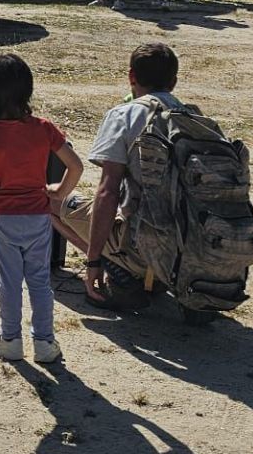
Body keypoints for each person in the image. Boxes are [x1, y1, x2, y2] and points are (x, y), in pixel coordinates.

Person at [0, 52, 84, 364]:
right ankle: (45, 342)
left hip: (2, 215)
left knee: (9, 279)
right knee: (39, 279)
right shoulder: (44, 128)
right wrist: (58, 193)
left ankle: (10, 338)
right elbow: (75, 166)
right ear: (28, 90)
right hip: (38, 215)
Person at [55, 42, 186, 311]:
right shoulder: (193, 117)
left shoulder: (125, 115)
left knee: (45, 201)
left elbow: (108, 192)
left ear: (131, 77)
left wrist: (91, 261)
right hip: (188, 242)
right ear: (173, 82)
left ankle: (117, 269)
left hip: (143, 240)